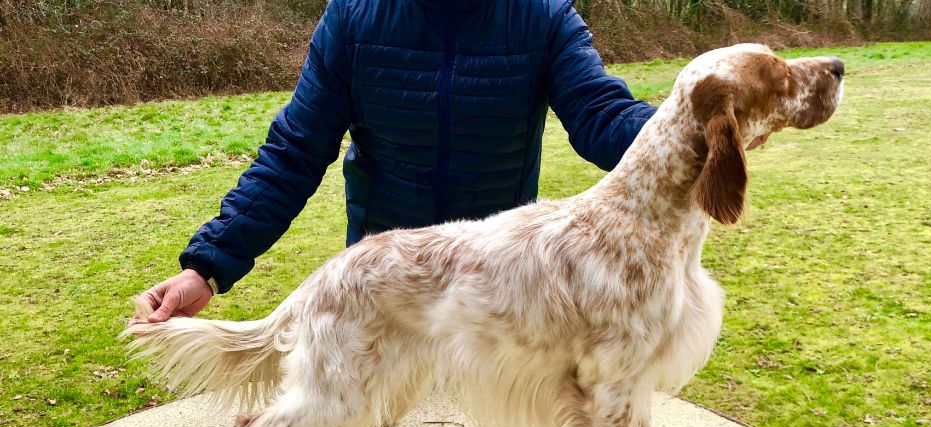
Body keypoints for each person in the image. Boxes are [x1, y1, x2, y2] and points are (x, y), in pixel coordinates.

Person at [139, 0, 655, 322]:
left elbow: (602, 116)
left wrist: (692, 127)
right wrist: (206, 267)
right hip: (387, 285)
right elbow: (293, 152)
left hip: (494, 283)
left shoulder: (543, 16)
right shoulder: (353, 17)